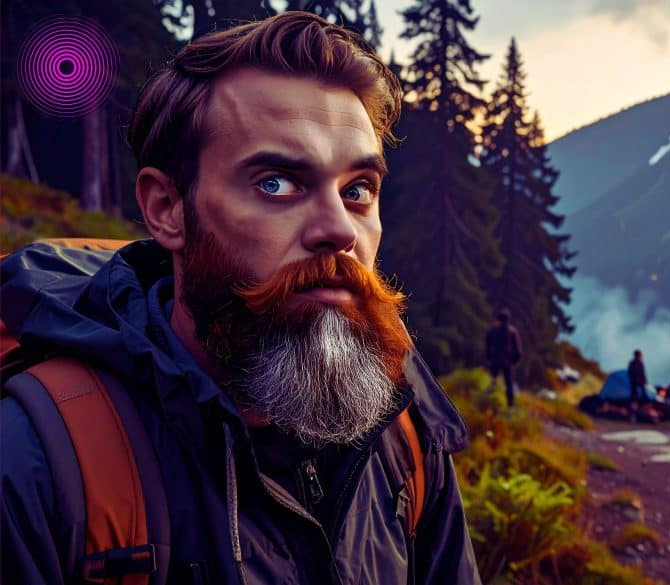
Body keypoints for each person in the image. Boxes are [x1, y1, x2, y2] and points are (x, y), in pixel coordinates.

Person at [1, 12, 481, 584]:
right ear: (167, 210)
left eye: (357, 190)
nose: (339, 230)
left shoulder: (403, 432)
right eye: (276, 183)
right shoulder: (37, 461)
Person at [485, 309, 522, 408]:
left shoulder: (492, 331)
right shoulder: (512, 331)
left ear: (498, 320)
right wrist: (514, 362)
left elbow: (487, 348)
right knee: (509, 386)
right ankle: (510, 408)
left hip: (495, 361)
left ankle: (488, 405)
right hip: (507, 362)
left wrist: (489, 360)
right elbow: (518, 351)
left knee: (492, 383)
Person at [627, 349, 647, 423]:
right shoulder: (632, 364)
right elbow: (630, 373)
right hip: (634, 385)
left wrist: (644, 383)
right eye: (640, 355)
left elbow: (643, 374)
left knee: (641, 400)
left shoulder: (641, 364)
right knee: (633, 401)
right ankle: (632, 417)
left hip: (640, 385)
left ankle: (639, 416)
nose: (641, 357)